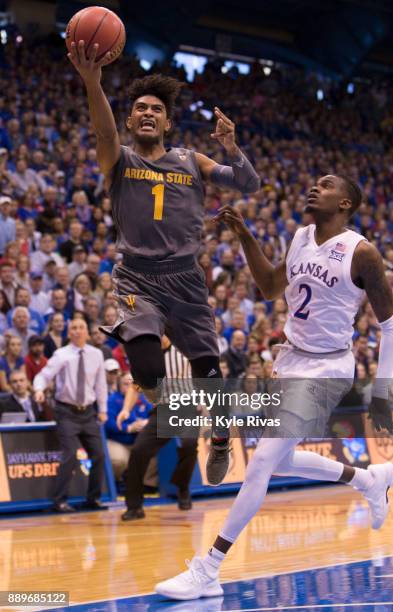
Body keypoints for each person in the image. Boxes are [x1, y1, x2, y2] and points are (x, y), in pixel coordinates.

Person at [155, 174, 393, 600]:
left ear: (345, 204)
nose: (314, 188)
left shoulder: (362, 253)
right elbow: (271, 288)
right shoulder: (302, 236)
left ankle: (209, 568)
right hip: (290, 360)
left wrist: (381, 393)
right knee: (280, 461)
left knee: (261, 461)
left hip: (328, 368)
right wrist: (246, 236)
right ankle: (366, 478)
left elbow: (391, 327)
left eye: (326, 186)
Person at [68, 43, 260, 485]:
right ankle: (186, 416)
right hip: (138, 277)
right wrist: (93, 82)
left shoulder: (192, 160)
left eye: (156, 108)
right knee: (151, 373)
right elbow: (101, 133)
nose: (148, 113)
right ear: (131, 121)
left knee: (212, 377)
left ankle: (219, 438)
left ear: (168, 122)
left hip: (187, 281)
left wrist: (231, 146)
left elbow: (248, 184)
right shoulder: (119, 160)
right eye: (140, 109)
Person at [117, 336, 198, 519]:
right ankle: (134, 506)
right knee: (138, 451)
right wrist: (125, 410)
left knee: (189, 445)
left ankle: (182, 486)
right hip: (163, 411)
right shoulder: (146, 356)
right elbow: (135, 386)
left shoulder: (184, 346)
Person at [33, 319, 108, 513]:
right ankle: (59, 501)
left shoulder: (96, 354)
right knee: (70, 455)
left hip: (89, 412)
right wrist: (39, 390)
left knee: (99, 454)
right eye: (73, 328)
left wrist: (103, 410)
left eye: (81, 327)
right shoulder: (61, 354)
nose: (77, 331)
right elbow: (43, 375)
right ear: (69, 333)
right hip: (66, 411)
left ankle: (93, 499)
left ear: (87, 333)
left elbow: (100, 384)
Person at [105, 372, 153, 481]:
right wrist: (128, 428)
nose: (130, 387)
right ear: (119, 386)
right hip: (117, 441)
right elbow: (108, 425)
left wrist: (146, 423)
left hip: (139, 441)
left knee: (156, 453)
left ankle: (146, 485)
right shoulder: (112, 400)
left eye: (132, 384)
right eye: (125, 384)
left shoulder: (144, 399)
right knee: (120, 460)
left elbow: (154, 416)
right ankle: (117, 482)